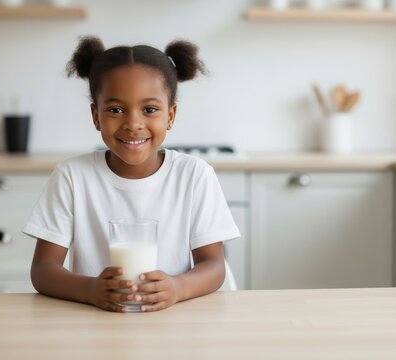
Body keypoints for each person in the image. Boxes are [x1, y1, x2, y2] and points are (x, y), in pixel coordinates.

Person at [23, 36, 240, 313]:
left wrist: (177, 288)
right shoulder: (72, 177)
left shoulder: (194, 176)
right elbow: (43, 270)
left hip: (176, 323)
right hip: (95, 323)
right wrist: (90, 290)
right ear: (96, 116)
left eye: (150, 110)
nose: (133, 124)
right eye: (115, 110)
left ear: (170, 115)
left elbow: (214, 266)